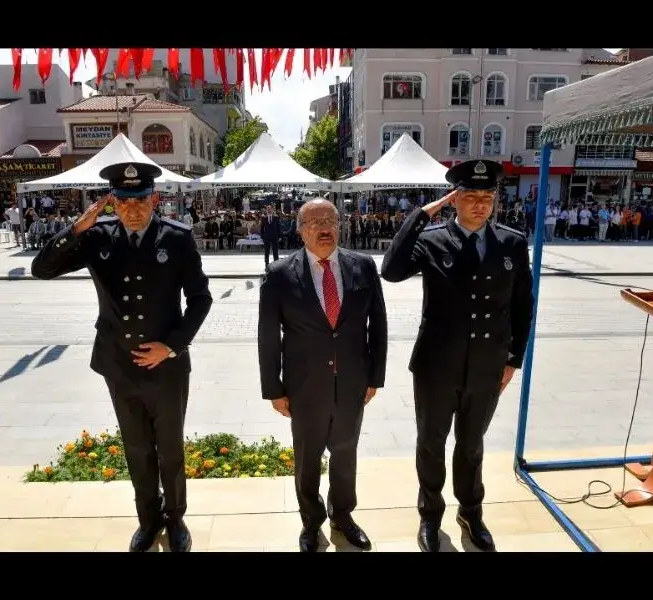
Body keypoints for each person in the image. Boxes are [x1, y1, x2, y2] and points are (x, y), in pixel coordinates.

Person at [31, 162, 213, 552]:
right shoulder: (97, 237)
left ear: (154, 200)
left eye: (141, 200)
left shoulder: (177, 238)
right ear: (113, 201)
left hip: (166, 367)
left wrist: (173, 345)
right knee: (135, 446)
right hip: (119, 363)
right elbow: (41, 269)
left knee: (170, 447)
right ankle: (148, 519)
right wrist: (74, 230)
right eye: (125, 201)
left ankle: (176, 518)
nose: (133, 209)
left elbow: (200, 299)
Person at [381, 159, 534, 552]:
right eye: (470, 197)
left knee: (472, 444)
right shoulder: (432, 239)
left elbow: (522, 307)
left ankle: (471, 512)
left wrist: (513, 359)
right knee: (431, 442)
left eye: (487, 197)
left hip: (487, 365)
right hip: (436, 365)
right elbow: (392, 270)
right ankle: (430, 516)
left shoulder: (512, 243)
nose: (480, 204)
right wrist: (421, 214)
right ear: (455, 200)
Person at [258, 199, 388, 552]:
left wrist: (376, 376)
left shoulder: (362, 267)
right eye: (313, 221)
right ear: (300, 230)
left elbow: (378, 325)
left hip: (352, 383)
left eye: (329, 219)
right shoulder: (280, 275)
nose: (323, 226)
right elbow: (269, 337)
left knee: (345, 454)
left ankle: (343, 516)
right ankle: (311, 522)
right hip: (304, 388)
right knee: (308, 458)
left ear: (339, 225)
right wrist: (274, 389)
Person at [259, 204, 280, 268]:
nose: (269, 210)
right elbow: (262, 228)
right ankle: (267, 265)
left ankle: (276, 266)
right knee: (266, 252)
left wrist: (279, 236)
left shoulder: (276, 217)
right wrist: (262, 236)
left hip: (274, 237)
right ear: (266, 210)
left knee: (275, 251)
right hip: (267, 237)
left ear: (272, 210)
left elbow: (278, 227)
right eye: (268, 209)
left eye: (270, 209)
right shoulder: (263, 218)